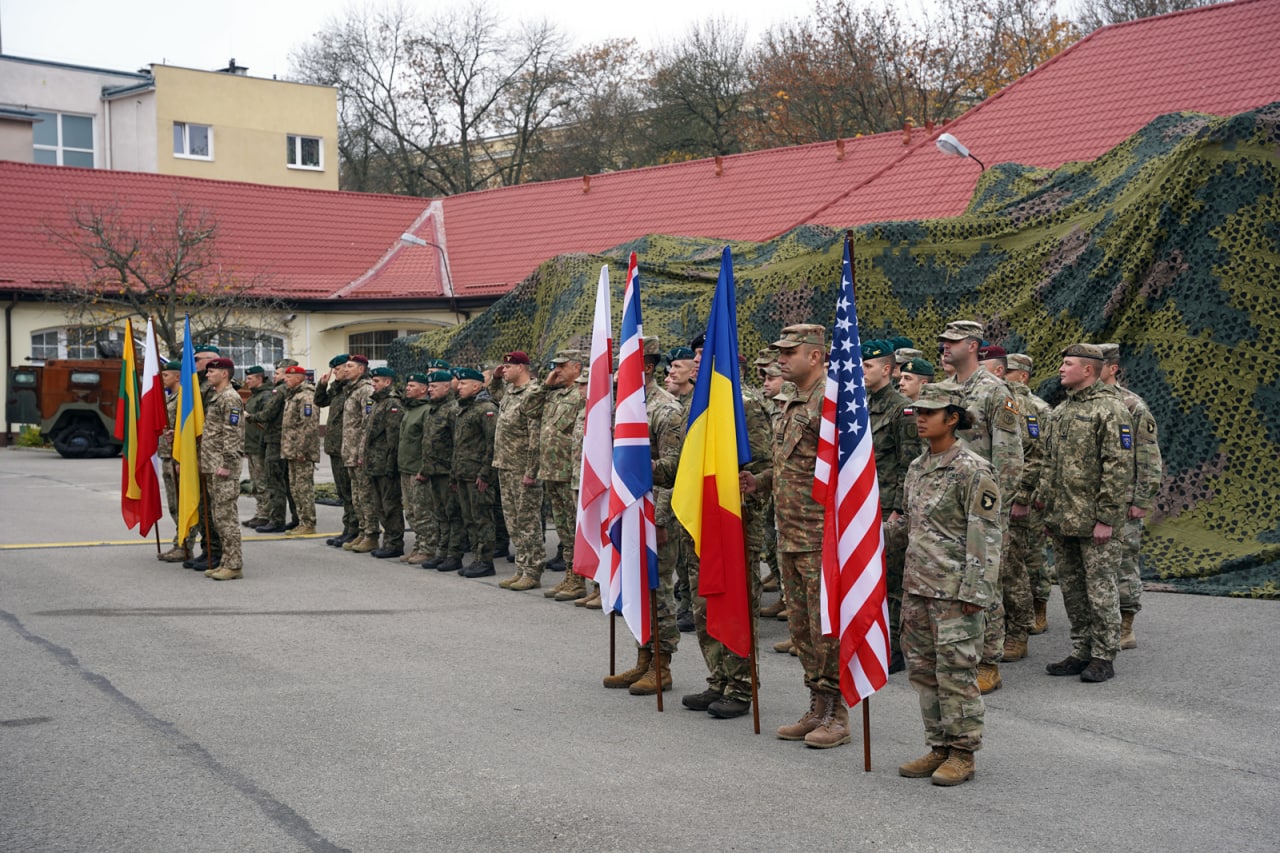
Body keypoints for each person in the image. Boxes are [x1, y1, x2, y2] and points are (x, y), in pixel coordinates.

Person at [892, 382, 1002, 787]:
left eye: (930, 412)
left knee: (956, 672)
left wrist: (976, 593)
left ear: (952, 418)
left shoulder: (973, 469)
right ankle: (938, 745)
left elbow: (986, 533)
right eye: (918, 411)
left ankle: (963, 752)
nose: (920, 418)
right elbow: (908, 523)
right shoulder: (918, 467)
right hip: (918, 587)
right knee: (923, 673)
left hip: (954, 591)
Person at [745, 324, 850, 749]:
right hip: (789, 532)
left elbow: (849, 468)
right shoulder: (788, 401)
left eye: (790, 352)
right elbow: (793, 465)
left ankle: (837, 713)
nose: (781, 359)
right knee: (803, 627)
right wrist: (762, 481)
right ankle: (816, 704)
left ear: (816, 356)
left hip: (822, 534)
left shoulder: (834, 400)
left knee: (827, 627)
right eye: (780, 352)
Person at [1036, 344, 1136, 684]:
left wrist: (1107, 518)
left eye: (1068, 364)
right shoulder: (1061, 411)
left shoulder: (1110, 409)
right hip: (1063, 519)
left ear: (1089, 370)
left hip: (1095, 522)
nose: (1061, 369)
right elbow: (1049, 465)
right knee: (1072, 589)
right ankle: (1081, 650)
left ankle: (1104, 655)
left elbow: (1118, 467)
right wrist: (1045, 507)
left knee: (1100, 589)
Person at [938, 321, 1023, 694]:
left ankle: (989, 661)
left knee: (983, 582)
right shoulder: (943, 391)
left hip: (981, 504)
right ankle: (959, 654)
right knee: (951, 580)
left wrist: (995, 507)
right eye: (942, 341)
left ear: (972, 346)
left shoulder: (994, 391)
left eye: (952, 341)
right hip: (946, 502)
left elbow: (1008, 455)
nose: (944, 346)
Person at [602, 336, 683, 696]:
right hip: (629, 511)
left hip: (656, 512)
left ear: (648, 366)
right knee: (635, 583)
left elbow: (675, 468)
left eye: (628, 363)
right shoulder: (623, 406)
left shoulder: (666, 410)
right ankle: (642, 657)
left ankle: (661, 664)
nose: (620, 371)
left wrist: (661, 520)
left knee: (658, 588)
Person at [863, 339, 923, 675]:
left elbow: (909, 463)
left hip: (890, 508)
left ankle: (894, 645)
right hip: (866, 505)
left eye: (868, 366)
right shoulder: (863, 405)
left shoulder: (902, 410)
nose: (862, 371)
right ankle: (873, 637)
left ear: (887, 369)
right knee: (871, 577)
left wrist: (900, 509)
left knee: (893, 579)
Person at [1099, 343, 1163, 650]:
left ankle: (1126, 625)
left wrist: (1141, 500)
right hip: (1096, 498)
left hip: (1124, 500)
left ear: (1112, 368)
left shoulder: (1133, 406)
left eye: (1096, 363)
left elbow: (1148, 457)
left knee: (1124, 561)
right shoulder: (1084, 403)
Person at [1004, 353, 1054, 637]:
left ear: (1023, 376)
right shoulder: (1004, 402)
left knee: (1032, 553)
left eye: (1009, 372)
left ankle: (1039, 604)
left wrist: (1033, 493)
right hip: (1007, 492)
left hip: (1030, 493)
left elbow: (1041, 455)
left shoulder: (1037, 408)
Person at [532, 350, 588, 601]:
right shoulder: (554, 394)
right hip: (551, 470)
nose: (557, 370)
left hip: (570, 471)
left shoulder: (583, 393)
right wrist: (545, 384)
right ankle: (571, 575)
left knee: (576, 529)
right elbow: (529, 409)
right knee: (564, 530)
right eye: (554, 366)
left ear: (577, 367)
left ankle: (581, 578)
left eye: (562, 366)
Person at [488, 352, 545, 589]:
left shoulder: (532, 393)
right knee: (513, 521)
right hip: (505, 465)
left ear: (521, 368)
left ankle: (533, 570)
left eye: (508, 367)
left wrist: (531, 471)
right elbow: (494, 393)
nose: (504, 370)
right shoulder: (510, 392)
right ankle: (521, 567)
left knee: (528, 521)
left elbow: (535, 436)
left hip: (522, 467)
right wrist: (495, 377)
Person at [200, 357, 245, 581]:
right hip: (212, 465)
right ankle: (226, 561)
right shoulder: (217, 397)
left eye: (211, 372)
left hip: (223, 467)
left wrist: (227, 464)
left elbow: (232, 433)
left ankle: (234, 564)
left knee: (227, 517)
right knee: (219, 517)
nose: (207, 375)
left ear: (224, 374)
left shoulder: (230, 398)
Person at [452, 368, 499, 578]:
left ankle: (486, 560)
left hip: (477, 474)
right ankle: (477, 558)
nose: (459, 387)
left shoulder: (486, 409)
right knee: (469, 518)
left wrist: (485, 473)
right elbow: (460, 445)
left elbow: (492, 443)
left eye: (464, 384)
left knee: (482, 518)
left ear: (477, 386)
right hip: (463, 473)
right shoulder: (466, 408)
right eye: (459, 383)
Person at [419, 370, 465, 573]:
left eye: (434, 386)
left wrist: (455, 473)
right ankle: (442, 551)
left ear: (447, 387)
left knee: (452, 514)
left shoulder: (453, 409)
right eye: (429, 386)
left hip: (447, 472)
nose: (429, 390)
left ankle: (453, 554)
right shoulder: (434, 409)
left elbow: (458, 444)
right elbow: (428, 443)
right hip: (434, 471)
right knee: (440, 514)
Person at [315, 354, 358, 547]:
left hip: (347, 447)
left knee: (351, 492)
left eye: (338, 369)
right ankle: (348, 529)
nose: (336, 373)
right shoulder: (338, 388)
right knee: (343, 492)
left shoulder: (355, 390)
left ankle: (354, 530)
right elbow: (320, 401)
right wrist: (323, 385)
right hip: (335, 446)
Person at [362, 366, 405, 558]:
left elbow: (393, 439)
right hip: (375, 464)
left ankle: (394, 543)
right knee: (380, 505)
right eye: (373, 381)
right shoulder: (379, 402)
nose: (373, 384)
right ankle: (388, 541)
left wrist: (390, 466)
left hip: (385, 465)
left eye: (377, 381)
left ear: (388, 382)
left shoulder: (392, 404)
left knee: (390, 505)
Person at [341, 355, 377, 553]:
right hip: (350, 452)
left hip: (359, 453)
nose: (346, 369)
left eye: (350, 366)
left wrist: (362, 451)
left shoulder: (366, 391)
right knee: (357, 496)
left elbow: (367, 424)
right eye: (345, 366)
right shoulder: (351, 390)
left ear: (361, 369)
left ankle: (371, 534)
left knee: (365, 495)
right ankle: (362, 531)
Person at [397, 373, 433, 563]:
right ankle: (418, 545)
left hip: (417, 468)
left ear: (423, 389)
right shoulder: (410, 409)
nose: (407, 388)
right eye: (407, 385)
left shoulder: (426, 410)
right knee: (410, 510)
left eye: (412, 385)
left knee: (422, 511)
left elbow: (427, 443)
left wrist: (424, 468)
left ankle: (427, 548)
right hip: (405, 466)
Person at [157, 359, 190, 562]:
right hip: (167, 455)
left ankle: (185, 545)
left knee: (181, 503)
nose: (163, 379)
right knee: (173, 504)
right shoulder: (170, 398)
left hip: (177, 457)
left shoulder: (183, 398)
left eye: (166, 375)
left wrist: (180, 459)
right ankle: (179, 543)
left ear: (177, 376)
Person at [280, 365, 319, 536]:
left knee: (304, 488)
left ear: (299, 377)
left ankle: (309, 522)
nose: (285, 379)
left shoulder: (306, 396)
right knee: (295, 488)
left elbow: (308, 425)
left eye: (289, 376)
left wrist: (302, 450)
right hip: (292, 450)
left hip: (302, 452)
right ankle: (302, 521)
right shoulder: (293, 395)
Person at [240, 366, 271, 529]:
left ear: (259, 379)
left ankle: (265, 514)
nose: (247, 381)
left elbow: (264, 421)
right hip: (252, 445)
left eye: (250, 379)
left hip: (260, 446)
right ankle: (260, 513)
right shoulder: (254, 396)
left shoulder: (265, 396)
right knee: (255, 482)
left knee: (262, 482)